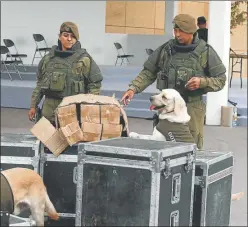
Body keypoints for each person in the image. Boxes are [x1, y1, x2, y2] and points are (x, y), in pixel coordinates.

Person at [121, 14, 226, 150]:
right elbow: (149, 72)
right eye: (175, 31)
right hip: (166, 108)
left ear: (191, 31)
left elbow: (221, 79)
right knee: (161, 146)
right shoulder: (166, 50)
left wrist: (202, 82)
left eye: (180, 31)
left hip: (192, 109)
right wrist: (133, 88)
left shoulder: (205, 52)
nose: (177, 35)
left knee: (191, 148)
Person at [28, 22, 103, 125]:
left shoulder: (84, 59)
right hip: (49, 110)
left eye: (73, 36)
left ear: (77, 39)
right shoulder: (48, 59)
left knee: (70, 139)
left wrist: (90, 108)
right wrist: (33, 106)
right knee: (47, 139)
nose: (69, 39)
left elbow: (95, 84)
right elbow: (40, 84)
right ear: (59, 36)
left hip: (72, 109)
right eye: (65, 35)